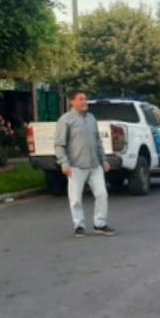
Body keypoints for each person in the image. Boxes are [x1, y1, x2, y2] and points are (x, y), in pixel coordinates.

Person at [54, 90, 115, 238]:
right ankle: (79, 225)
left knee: (102, 194)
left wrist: (103, 160)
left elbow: (97, 141)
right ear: (72, 102)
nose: (84, 102)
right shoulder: (66, 120)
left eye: (85, 99)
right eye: (80, 99)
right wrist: (64, 163)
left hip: (95, 165)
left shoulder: (91, 118)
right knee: (75, 198)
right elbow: (59, 144)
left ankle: (100, 224)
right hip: (76, 166)